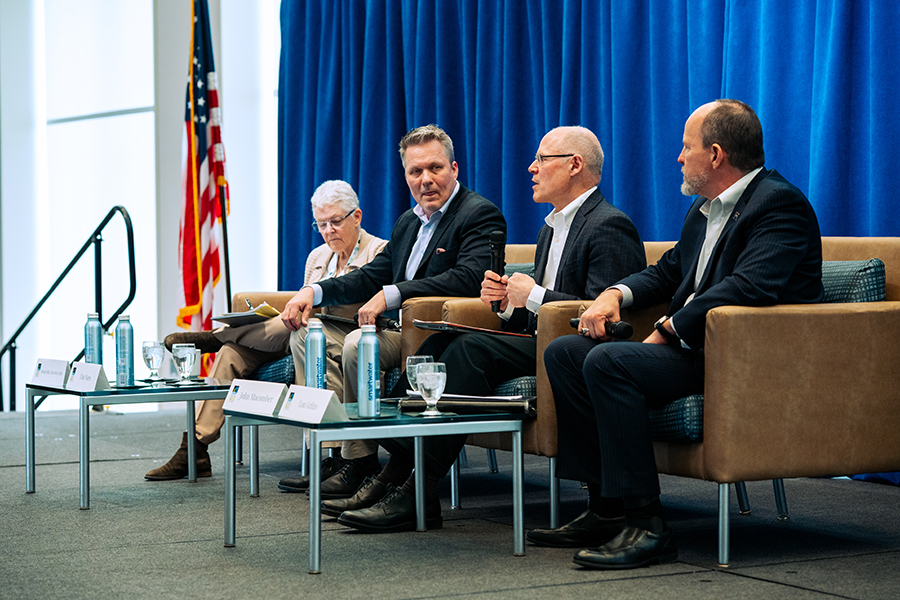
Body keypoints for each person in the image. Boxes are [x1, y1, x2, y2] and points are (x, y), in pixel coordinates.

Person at [532, 99, 824, 570]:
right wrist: (614, 294)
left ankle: (647, 524)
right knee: (567, 352)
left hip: (744, 359)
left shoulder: (779, 205)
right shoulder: (704, 209)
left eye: (685, 148)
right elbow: (669, 271)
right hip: (699, 350)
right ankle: (606, 507)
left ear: (715, 153)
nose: (678, 157)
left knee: (607, 362)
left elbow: (749, 286)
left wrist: (668, 331)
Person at [328, 126, 647, 533]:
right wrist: (506, 307)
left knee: (471, 351)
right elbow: (531, 316)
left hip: (572, 349)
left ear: (574, 165)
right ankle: (400, 468)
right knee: (441, 341)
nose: (531, 168)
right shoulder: (550, 228)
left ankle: (418, 490)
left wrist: (531, 295)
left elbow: (598, 316)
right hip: (539, 339)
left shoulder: (608, 225)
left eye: (542, 160)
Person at [278, 124, 507, 499]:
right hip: (397, 329)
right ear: (406, 176)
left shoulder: (478, 214)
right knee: (307, 332)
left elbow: (466, 279)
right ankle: (349, 456)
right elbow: (369, 275)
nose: (426, 180)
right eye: (416, 172)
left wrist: (393, 294)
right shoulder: (408, 221)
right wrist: (313, 290)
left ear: (455, 169)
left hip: (435, 330)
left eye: (435, 168)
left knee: (357, 344)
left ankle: (363, 460)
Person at [145, 180, 387, 480]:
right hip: (302, 335)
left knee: (275, 336)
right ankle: (195, 448)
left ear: (357, 216)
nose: (328, 231)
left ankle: (216, 336)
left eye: (335, 222)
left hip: (342, 335)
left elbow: (361, 301)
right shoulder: (317, 257)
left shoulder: (378, 252)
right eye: (321, 224)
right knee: (232, 353)